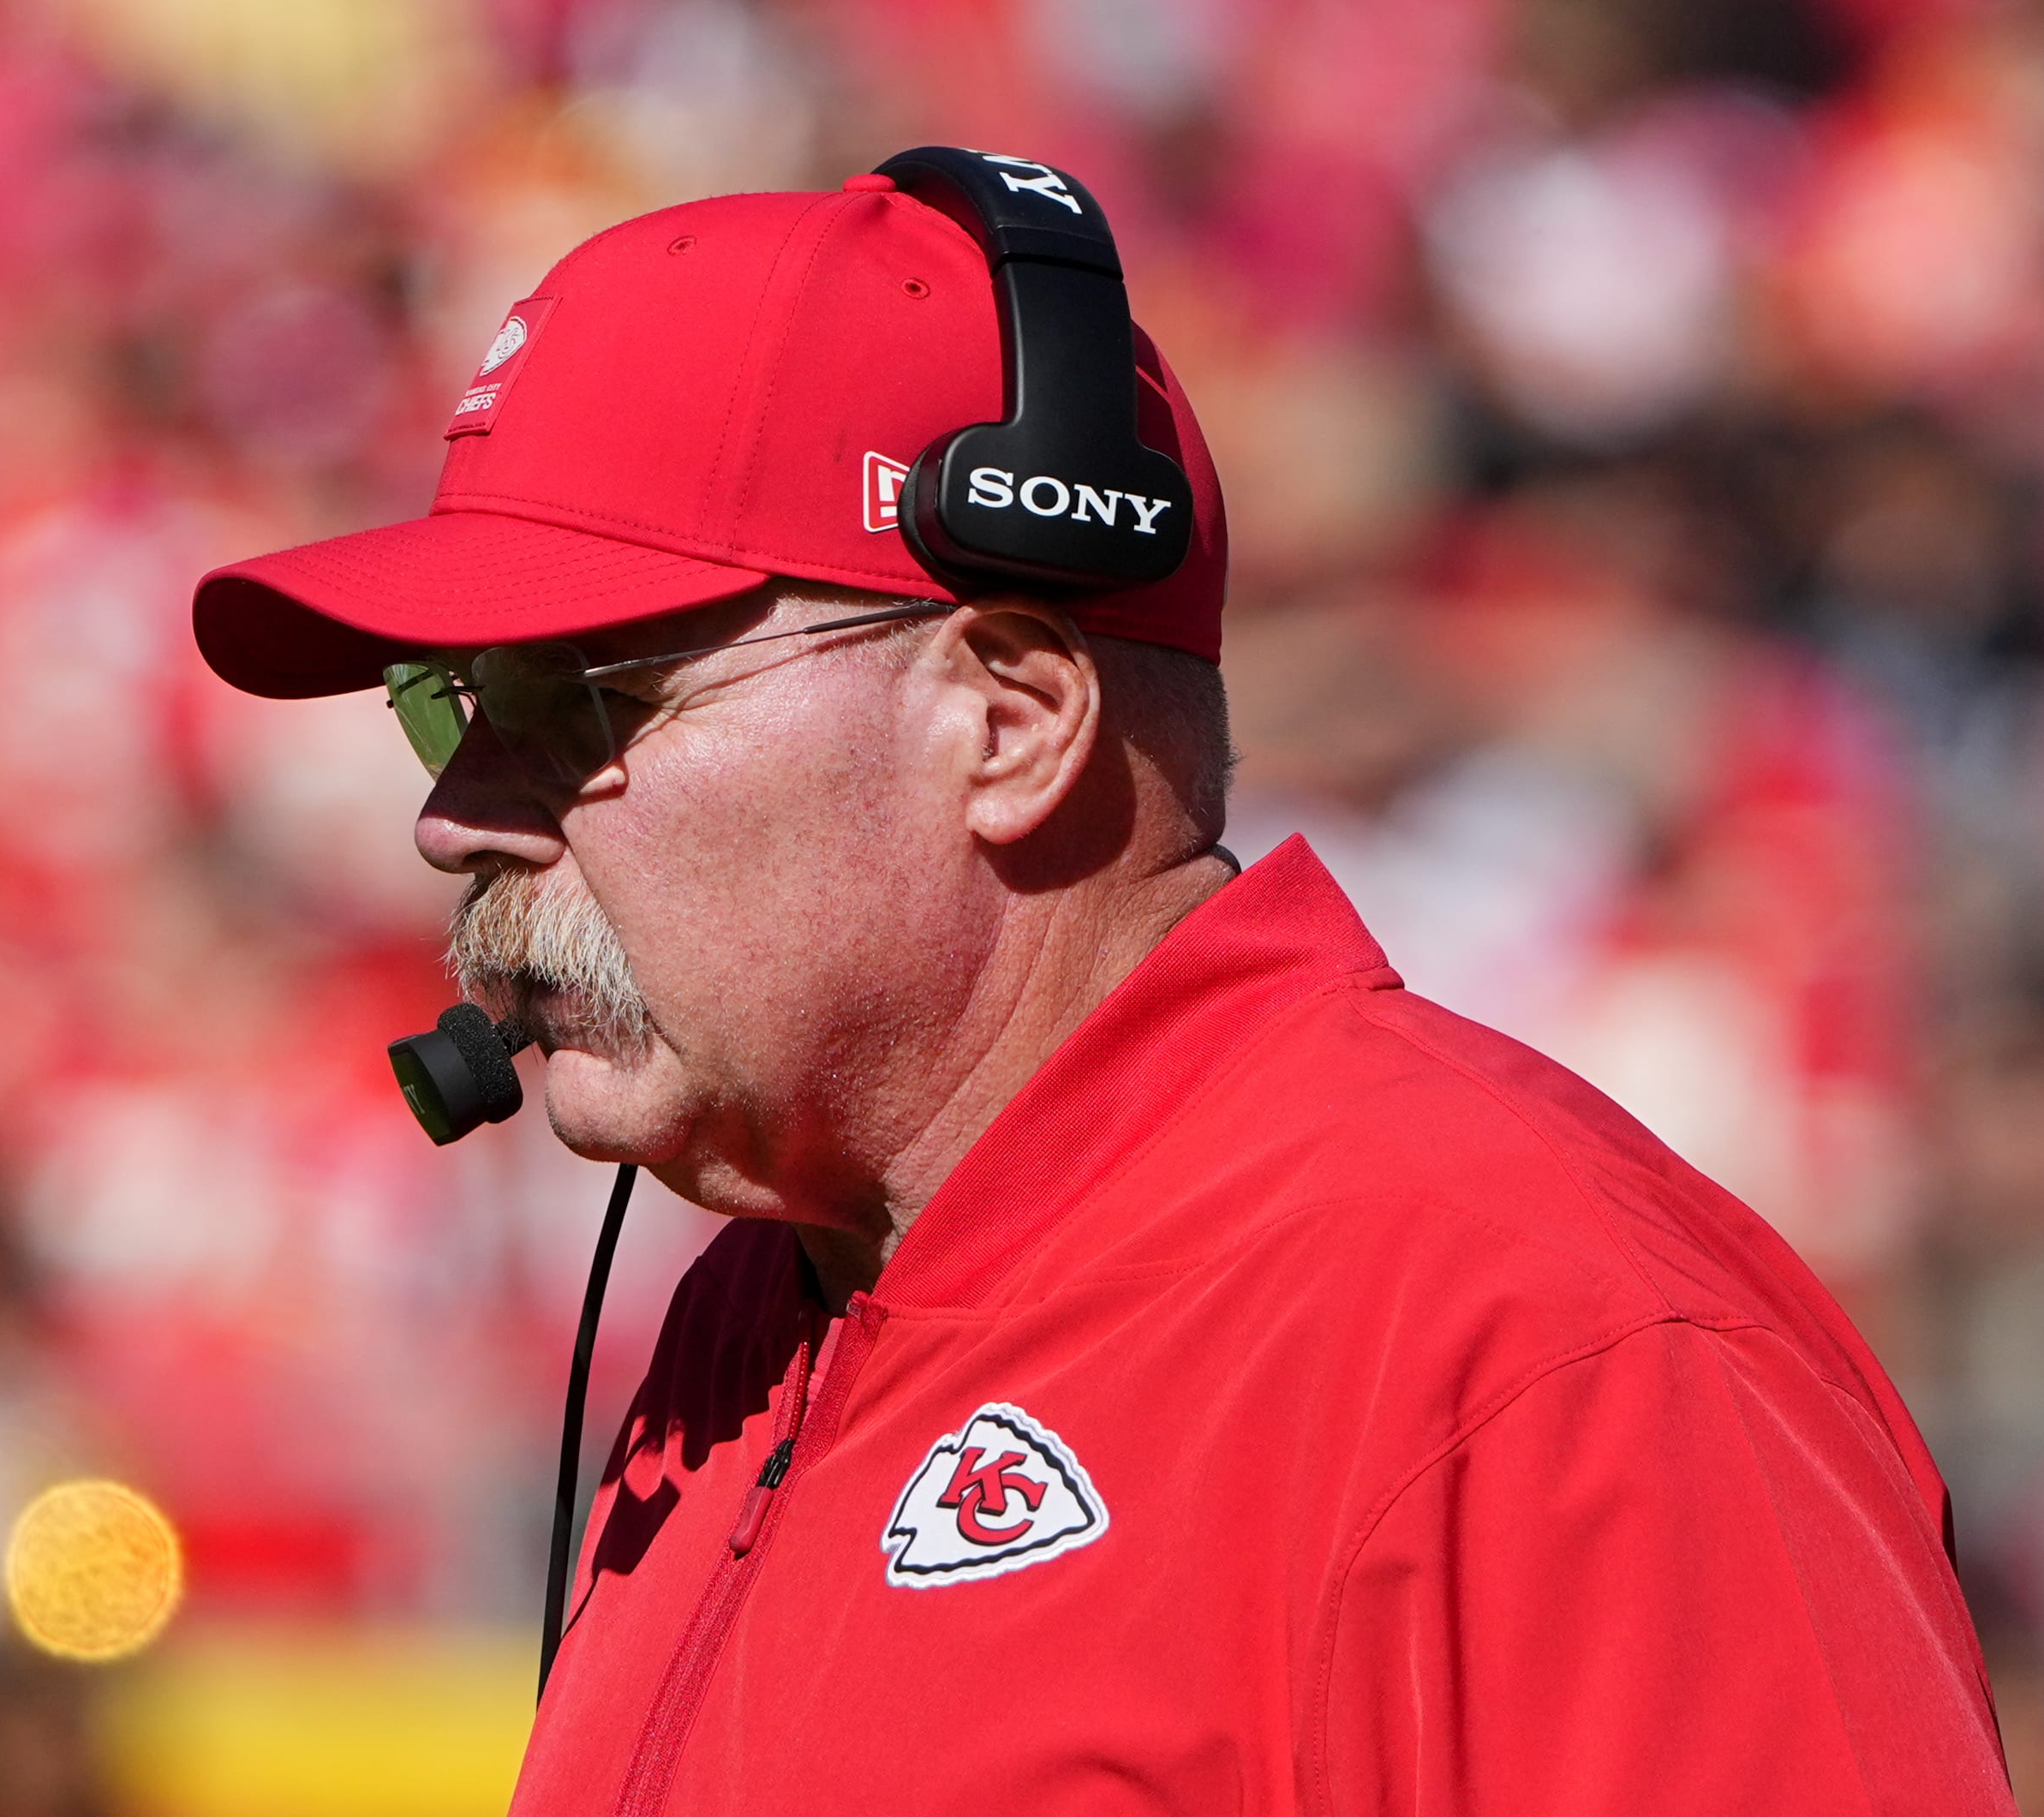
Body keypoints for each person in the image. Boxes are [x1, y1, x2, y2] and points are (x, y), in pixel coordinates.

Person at [187, 161, 2016, 1814]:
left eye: (568, 702)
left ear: (1008, 719)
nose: (451, 816)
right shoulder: (767, 1298)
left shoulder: (1540, 1346)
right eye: (450, 703)